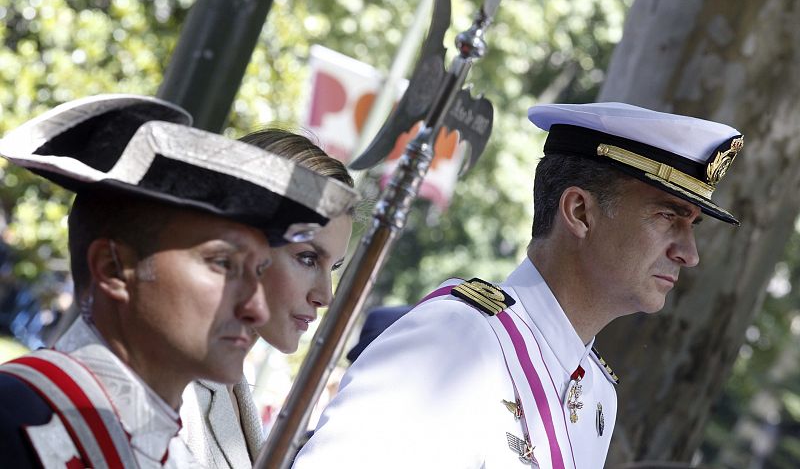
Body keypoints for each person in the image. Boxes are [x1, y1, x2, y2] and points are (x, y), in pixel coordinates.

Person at [292, 102, 744, 468]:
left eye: (693, 226)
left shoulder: (596, 395)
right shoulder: (456, 339)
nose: (689, 253)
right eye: (668, 217)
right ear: (580, 212)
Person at [0, 95, 359, 468]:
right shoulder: (20, 414)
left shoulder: (162, 446)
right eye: (222, 264)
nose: (254, 306)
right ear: (113, 268)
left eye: (256, 269)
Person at [179, 128, 357, 468]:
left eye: (333, 267)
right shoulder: (170, 388)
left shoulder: (227, 384)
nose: (325, 295)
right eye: (307, 258)